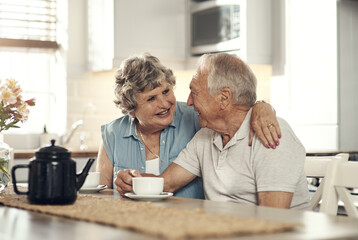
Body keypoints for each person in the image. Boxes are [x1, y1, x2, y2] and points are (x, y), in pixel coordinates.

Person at [97, 53, 281, 199]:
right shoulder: (113, 134)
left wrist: (262, 105)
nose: (165, 103)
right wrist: (125, 183)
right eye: (151, 98)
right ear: (131, 109)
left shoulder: (198, 118)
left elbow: (234, 109)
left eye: (166, 91)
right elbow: (101, 198)